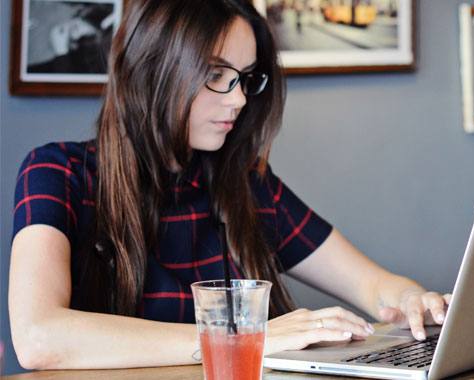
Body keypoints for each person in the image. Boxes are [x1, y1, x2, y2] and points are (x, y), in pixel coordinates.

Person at [9, 0, 450, 370]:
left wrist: (413, 298)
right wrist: (243, 340)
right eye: (217, 74)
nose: (239, 98)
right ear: (153, 70)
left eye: (245, 77)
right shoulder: (57, 173)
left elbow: (374, 286)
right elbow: (38, 336)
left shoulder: (246, 184)